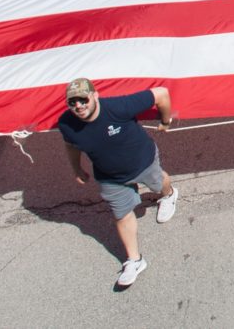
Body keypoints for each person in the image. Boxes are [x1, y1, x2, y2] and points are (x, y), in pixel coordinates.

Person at [58, 78, 179, 287]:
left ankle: (169, 195)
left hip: (143, 162)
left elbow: (161, 93)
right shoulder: (66, 124)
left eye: (83, 99)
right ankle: (135, 260)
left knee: (160, 184)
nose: (78, 105)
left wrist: (165, 121)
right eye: (73, 102)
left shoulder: (118, 107)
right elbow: (71, 146)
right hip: (110, 178)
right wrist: (77, 169)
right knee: (121, 215)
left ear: (95, 96)